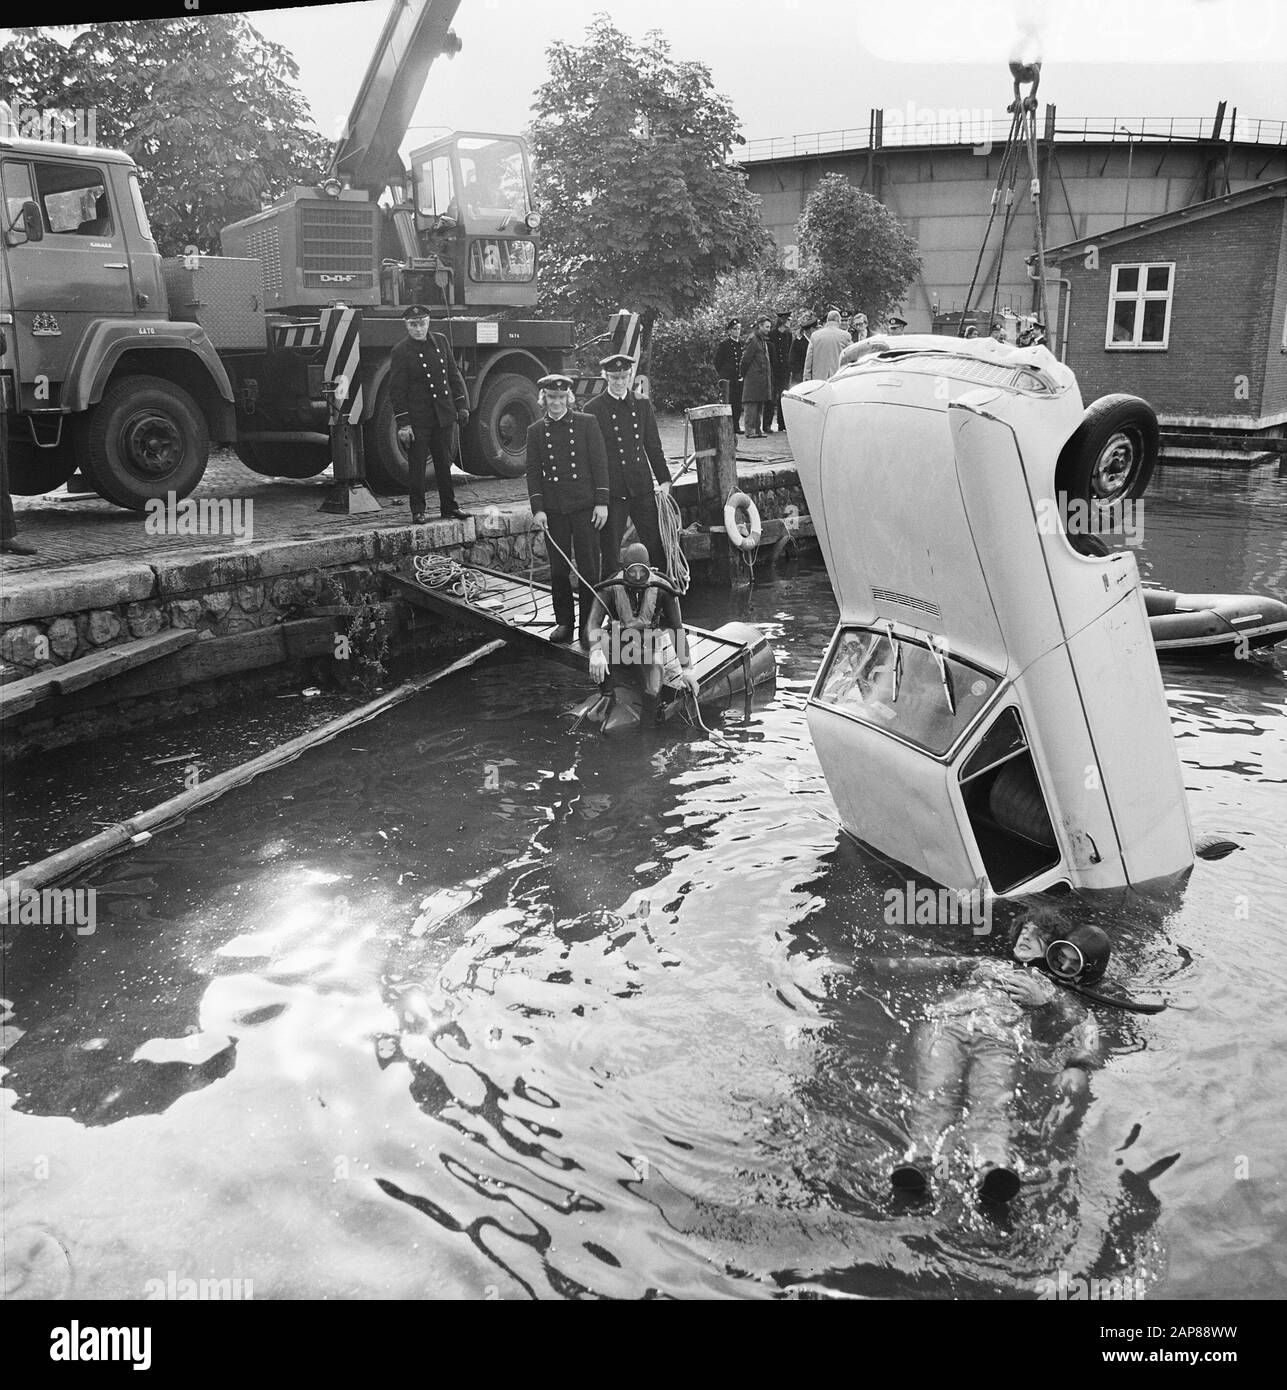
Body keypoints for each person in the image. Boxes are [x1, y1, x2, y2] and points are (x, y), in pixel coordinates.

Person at [881, 908, 1110, 1204]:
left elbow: (1086, 1024)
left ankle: (991, 1169)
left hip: (1000, 1042)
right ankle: (921, 1161)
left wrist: (1078, 1064)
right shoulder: (985, 963)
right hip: (946, 1025)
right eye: (1024, 930)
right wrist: (865, 966)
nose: (1027, 935)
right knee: (936, 1091)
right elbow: (926, 965)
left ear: (1052, 952)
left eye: (1038, 935)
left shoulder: (1049, 989)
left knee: (991, 1101)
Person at [526, 374, 608, 647]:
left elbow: (600, 464)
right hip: (555, 509)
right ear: (544, 399)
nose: (557, 403)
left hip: (585, 507)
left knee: (589, 569)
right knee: (559, 569)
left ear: (568, 398)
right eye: (552, 398)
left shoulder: (587, 423)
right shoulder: (536, 431)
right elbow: (533, 474)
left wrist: (602, 502)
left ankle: (589, 625)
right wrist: (538, 508)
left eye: (561, 398)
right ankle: (564, 622)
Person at [584, 541, 700, 723]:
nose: (637, 577)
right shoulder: (609, 588)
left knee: (653, 692)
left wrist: (687, 669)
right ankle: (607, 694)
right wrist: (596, 651)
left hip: (646, 647)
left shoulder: (663, 589)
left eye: (642, 572)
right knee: (600, 640)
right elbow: (592, 623)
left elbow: (677, 628)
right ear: (623, 570)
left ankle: (648, 737)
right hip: (616, 643)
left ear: (649, 569)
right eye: (632, 572)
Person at [583, 353, 670, 574]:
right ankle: (612, 601)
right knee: (611, 552)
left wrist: (665, 480)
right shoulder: (594, 409)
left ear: (630, 376)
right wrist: (596, 497)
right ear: (606, 377)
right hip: (613, 491)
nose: (620, 382)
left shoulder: (642, 404)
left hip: (641, 488)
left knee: (655, 546)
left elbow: (653, 446)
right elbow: (591, 458)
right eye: (614, 378)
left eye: (624, 377)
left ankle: (663, 595)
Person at [389, 305, 471, 524]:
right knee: (417, 466)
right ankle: (418, 509)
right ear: (406, 326)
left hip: (442, 415)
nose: (418, 329)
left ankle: (449, 507)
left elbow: (452, 374)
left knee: (444, 463)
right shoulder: (400, 351)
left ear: (429, 322)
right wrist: (404, 423)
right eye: (413, 325)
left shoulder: (441, 341)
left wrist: (461, 404)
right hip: (418, 419)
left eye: (422, 323)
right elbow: (397, 391)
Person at [739, 315, 773, 438]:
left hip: (760, 378)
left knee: (758, 404)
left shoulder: (762, 339)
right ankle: (750, 430)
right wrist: (742, 374)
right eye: (766, 327)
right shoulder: (753, 339)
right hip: (753, 377)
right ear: (759, 326)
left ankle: (757, 430)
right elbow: (746, 359)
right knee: (751, 404)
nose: (768, 329)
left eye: (769, 327)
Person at [713, 320, 744, 434]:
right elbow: (718, 362)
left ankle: (736, 426)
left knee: (737, 403)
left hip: (738, 378)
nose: (737, 331)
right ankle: (727, 426)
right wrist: (723, 374)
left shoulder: (740, 344)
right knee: (728, 402)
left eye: (739, 329)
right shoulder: (725, 344)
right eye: (735, 329)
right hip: (727, 378)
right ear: (730, 331)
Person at [802, 309, 851, 381]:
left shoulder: (815, 336)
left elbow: (809, 359)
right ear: (839, 321)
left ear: (827, 320)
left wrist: (806, 377)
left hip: (818, 379)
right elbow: (851, 357)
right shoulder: (845, 336)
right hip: (838, 378)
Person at [766, 310, 793, 431]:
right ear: (783, 320)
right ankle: (767, 424)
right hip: (774, 369)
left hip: (784, 370)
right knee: (771, 397)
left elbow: (788, 351)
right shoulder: (772, 334)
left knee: (783, 396)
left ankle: (782, 423)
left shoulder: (788, 335)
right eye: (788, 320)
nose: (790, 322)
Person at [788, 315, 815, 387]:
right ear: (811, 329)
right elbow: (792, 362)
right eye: (816, 328)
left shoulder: (815, 343)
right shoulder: (797, 343)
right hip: (799, 380)